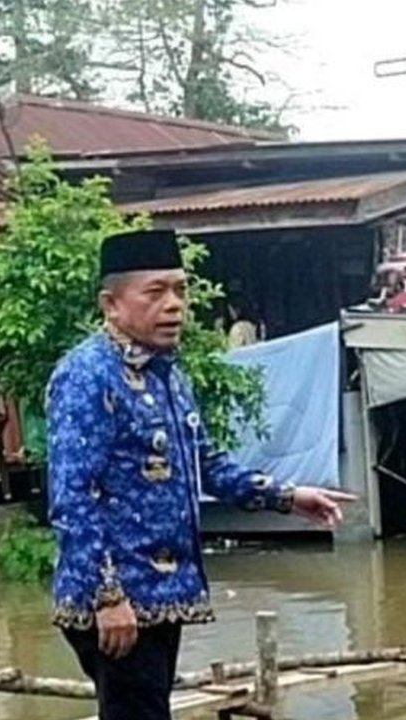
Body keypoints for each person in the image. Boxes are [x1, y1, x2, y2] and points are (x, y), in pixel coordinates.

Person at [47, 228, 356, 720]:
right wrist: (108, 596)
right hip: (119, 597)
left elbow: (206, 464)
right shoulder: (87, 375)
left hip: (164, 593)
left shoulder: (168, 373)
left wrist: (287, 495)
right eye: (155, 292)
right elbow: (73, 495)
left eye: (180, 290)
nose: (174, 306)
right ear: (112, 303)